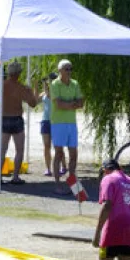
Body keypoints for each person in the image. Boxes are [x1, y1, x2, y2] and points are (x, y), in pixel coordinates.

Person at [0, 61, 37, 185]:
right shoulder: (21, 87)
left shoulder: (2, 85)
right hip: (16, 119)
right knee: (19, 150)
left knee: (3, 149)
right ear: (18, 73)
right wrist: (30, 92)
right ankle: (15, 177)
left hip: (5, 118)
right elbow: (33, 103)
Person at [50, 59, 83, 194]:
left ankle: (72, 182)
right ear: (60, 71)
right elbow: (58, 104)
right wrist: (72, 104)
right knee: (59, 153)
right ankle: (57, 184)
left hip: (71, 123)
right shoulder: (54, 84)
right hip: (58, 123)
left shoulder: (75, 84)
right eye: (66, 69)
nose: (69, 71)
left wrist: (68, 104)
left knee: (74, 154)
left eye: (70, 69)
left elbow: (81, 102)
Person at [39, 76, 67, 177]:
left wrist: (44, 83)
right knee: (47, 146)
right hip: (45, 121)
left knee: (58, 146)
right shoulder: (45, 93)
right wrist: (34, 84)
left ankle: (63, 166)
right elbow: (35, 99)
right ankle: (48, 168)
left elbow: (49, 94)